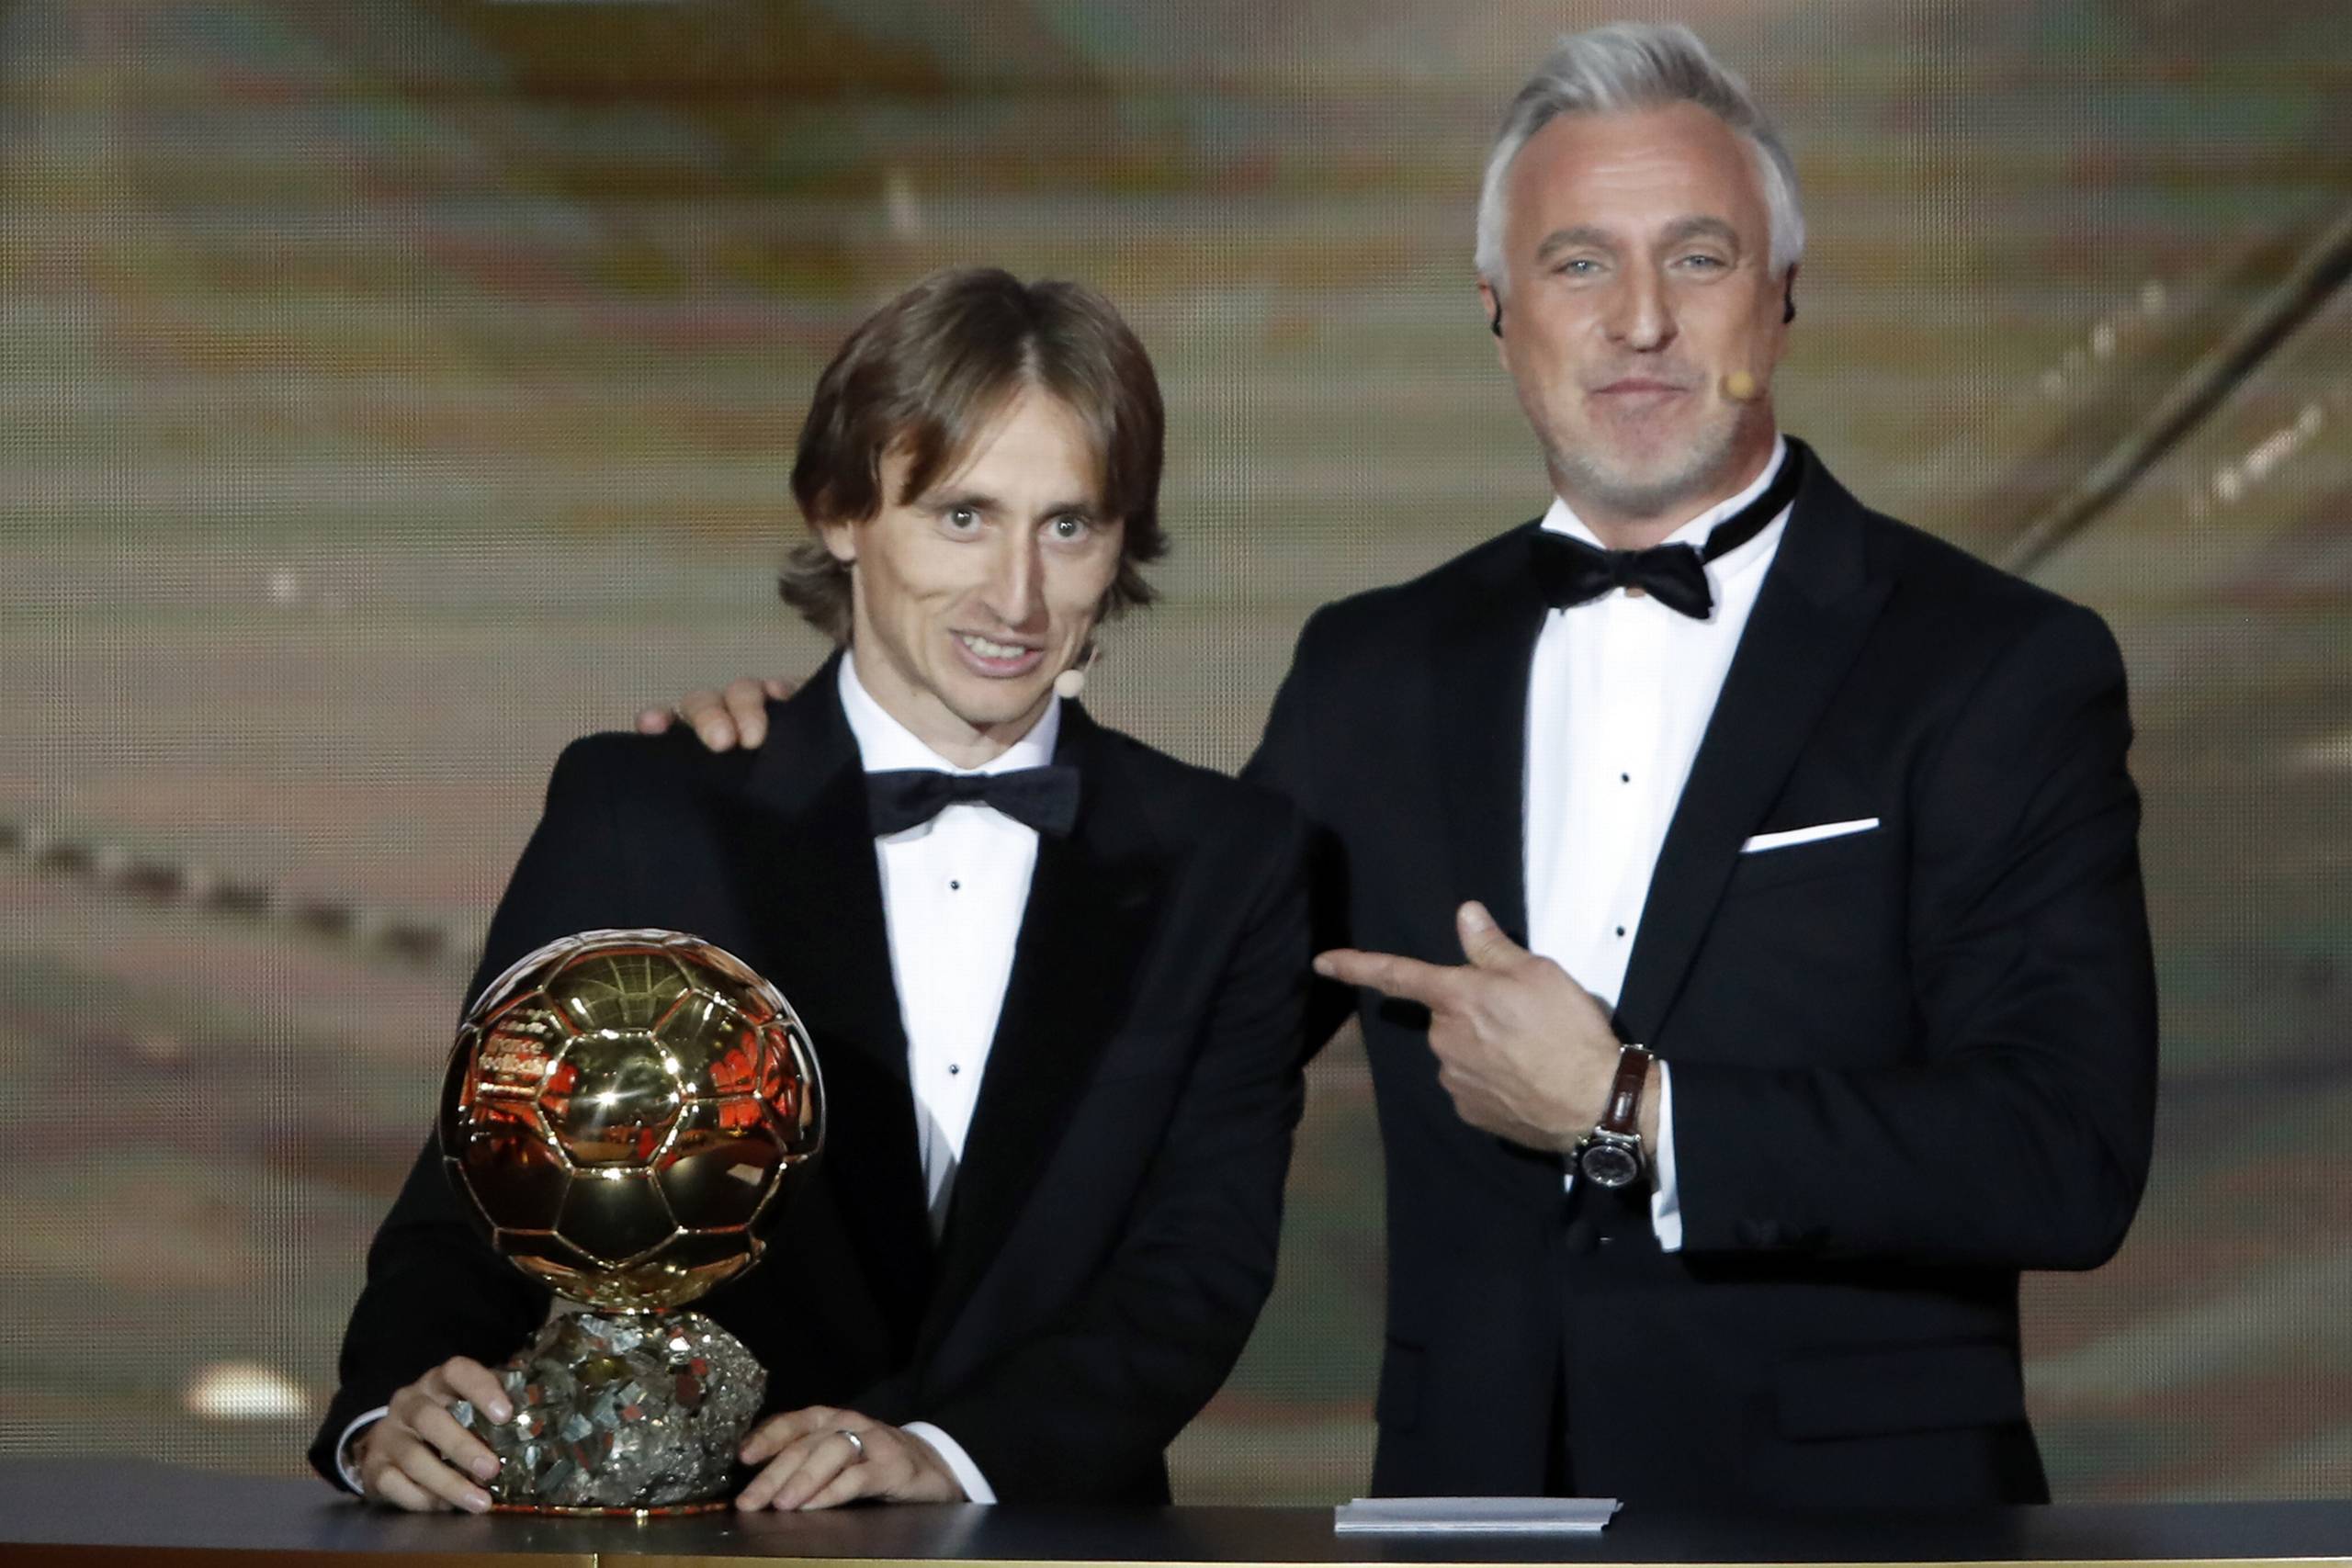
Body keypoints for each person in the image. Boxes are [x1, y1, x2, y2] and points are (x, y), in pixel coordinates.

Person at [650, 23, 2158, 1507]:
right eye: (1579, 264)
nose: (1640, 320)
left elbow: (2066, 1152)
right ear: (1498, 311)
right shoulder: (1373, 672)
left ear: (1783, 296)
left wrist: (1630, 1104)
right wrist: (826, 753)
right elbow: (1135, 1031)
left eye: (1697, 259)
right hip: (1466, 1509)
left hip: (1863, 1529)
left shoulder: (1997, 665)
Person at [310, 267, 1312, 1512]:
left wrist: (950, 1456)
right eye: (962, 517)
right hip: (712, 1534)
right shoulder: (649, 812)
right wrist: (389, 1411)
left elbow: (1199, 1263)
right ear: (840, 511)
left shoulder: (1228, 858)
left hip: (1050, 1532)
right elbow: (481, 1187)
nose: (1016, 596)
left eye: (1069, 526)